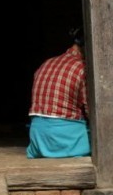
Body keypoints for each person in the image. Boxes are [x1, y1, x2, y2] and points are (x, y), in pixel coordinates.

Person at [27, 28, 91, 159]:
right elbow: (92, 112)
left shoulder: (47, 62)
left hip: (38, 137)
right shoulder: (83, 68)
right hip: (66, 139)